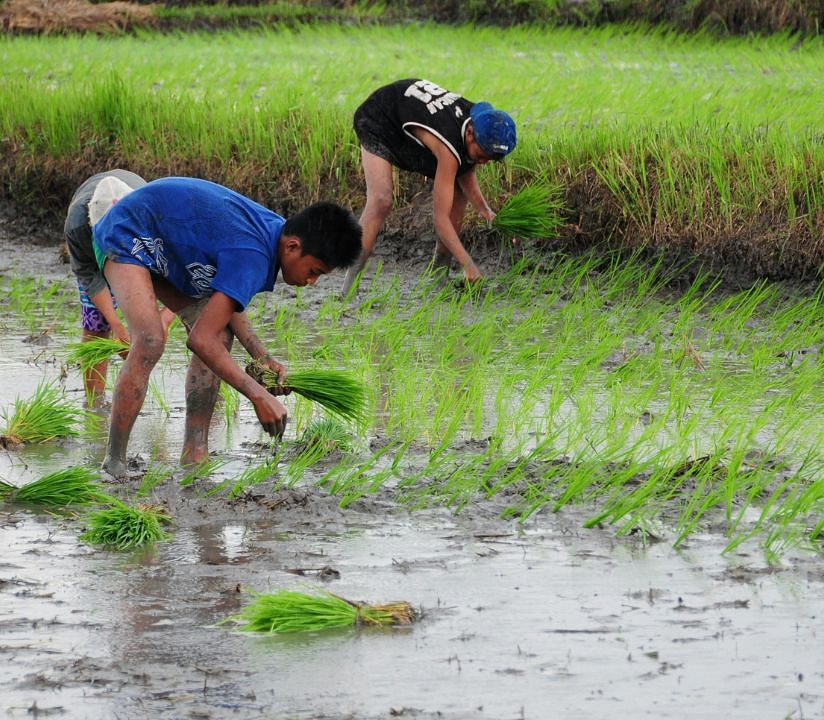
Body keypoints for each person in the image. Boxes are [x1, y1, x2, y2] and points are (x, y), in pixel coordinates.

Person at [91, 177, 362, 477]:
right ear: (293, 246)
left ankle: (194, 455)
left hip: (170, 249)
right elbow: (200, 340)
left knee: (220, 334)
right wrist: (259, 395)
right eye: (313, 272)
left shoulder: (273, 237)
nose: (311, 282)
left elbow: (222, 308)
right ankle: (114, 461)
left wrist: (261, 356)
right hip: (127, 233)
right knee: (151, 339)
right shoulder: (255, 254)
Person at [342, 78, 517, 298]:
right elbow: (440, 219)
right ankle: (348, 289)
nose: (483, 162)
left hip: (414, 117)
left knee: (458, 194)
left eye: (490, 159)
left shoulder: (480, 123)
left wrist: (485, 210)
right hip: (380, 117)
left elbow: (468, 167)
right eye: (482, 155)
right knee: (381, 199)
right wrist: (468, 265)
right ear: (470, 134)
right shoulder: (449, 144)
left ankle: (438, 279)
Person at [63, 169, 175, 407]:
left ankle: (208, 396)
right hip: (93, 251)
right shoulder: (77, 226)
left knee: (177, 320)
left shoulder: (155, 218)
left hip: (141, 246)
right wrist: (116, 324)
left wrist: (163, 319)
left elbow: (181, 274)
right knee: (96, 325)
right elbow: (88, 275)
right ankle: (95, 404)